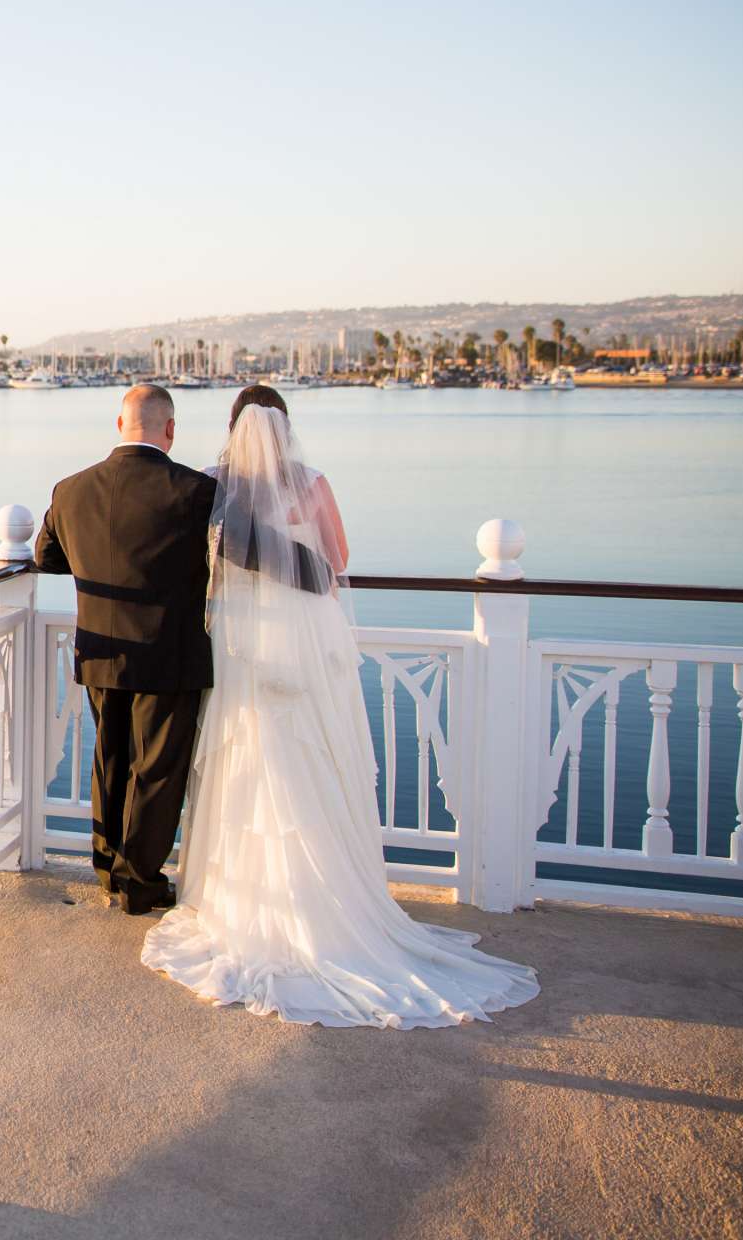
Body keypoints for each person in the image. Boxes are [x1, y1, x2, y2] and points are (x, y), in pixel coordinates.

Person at [140, 385, 539, 1027]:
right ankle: (329, 906)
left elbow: (202, 564)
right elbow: (338, 563)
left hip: (240, 646)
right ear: (286, 430)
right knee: (312, 756)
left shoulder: (214, 485)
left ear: (234, 429)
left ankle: (241, 904)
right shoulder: (313, 483)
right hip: (301, 642)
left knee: (247, 760)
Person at [31, 384, 216, 914]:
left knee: (109, 759)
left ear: (119, 425)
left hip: (100, 650)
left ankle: (108, 867)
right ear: (170, 429)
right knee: (156, 769)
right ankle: (139, 881)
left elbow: (47, 559)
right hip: (169, 654)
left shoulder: (70, 490)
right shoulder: (196, 492)